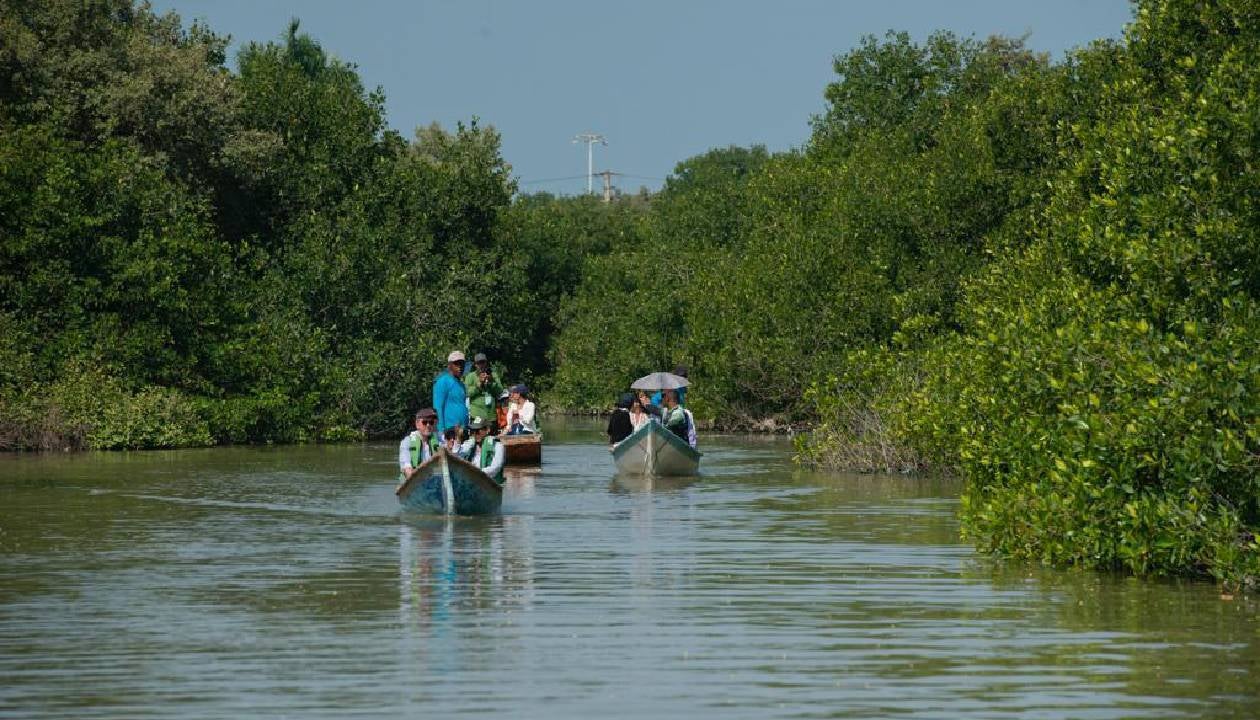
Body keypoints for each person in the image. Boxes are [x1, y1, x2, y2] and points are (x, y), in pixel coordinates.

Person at [464, 355, 504, 433]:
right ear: (475, 364)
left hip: (491, 416)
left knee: (491, 441)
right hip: (477, 415)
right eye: (479, 363)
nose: (481, 365)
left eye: (483, 362)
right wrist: (479, 384)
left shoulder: (493, 375)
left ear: (486, 363)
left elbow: (500, 390)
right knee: (477, 441)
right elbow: (467, 392)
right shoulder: (470, 376)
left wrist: (491, 383)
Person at [398, 408, 440, 482]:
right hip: (413, 482)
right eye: (424, 422)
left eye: (431, 422)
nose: (428, 425)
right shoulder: (407, 442)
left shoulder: (438, 440)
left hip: (431, 481)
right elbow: (406, 465)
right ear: (417, 424)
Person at [459, 417, 505, 484]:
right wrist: (457, 439)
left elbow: (496, 467)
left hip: (490, 483)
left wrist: (475, 472)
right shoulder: (470, 444)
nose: (475, 434)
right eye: (473, 431)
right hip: (472, 480)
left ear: (487, 430)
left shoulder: (498, 446)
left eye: (477, 431)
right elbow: (457, 454)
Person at [433, 350, 468, 434]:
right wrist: (441, 430)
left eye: (462, 364)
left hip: (463, 428)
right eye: (456, 364)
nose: (460, 367)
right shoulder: (442, 381)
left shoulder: (461, 384)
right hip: (449, 429)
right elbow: (437, 407)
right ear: (449, 365)